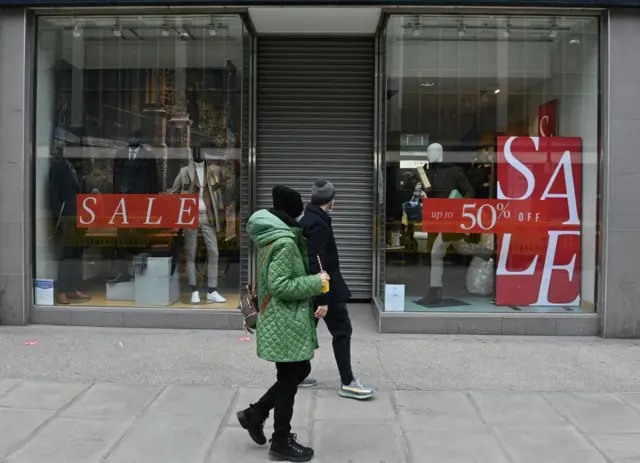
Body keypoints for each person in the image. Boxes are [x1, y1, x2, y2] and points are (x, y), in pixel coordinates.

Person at [236, 185, 329, 462]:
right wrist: (317, 282)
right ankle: (280, 441)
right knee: (290, 378)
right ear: (293, 212)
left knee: (298, 370)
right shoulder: (286, 242)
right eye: (300, 211)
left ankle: (256, 414)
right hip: (284, 320)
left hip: (282, 320)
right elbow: (280, 285)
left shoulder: (275, 236)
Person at [298, 179, 375, 400]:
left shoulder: (310, 218)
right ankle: (348, 382)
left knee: (305, 331)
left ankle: (295, 375)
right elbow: (318, 261)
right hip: (326, 289)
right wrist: (323, 297)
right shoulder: (318, 223)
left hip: (315, 287)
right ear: (330, 200)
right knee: (342, 332)